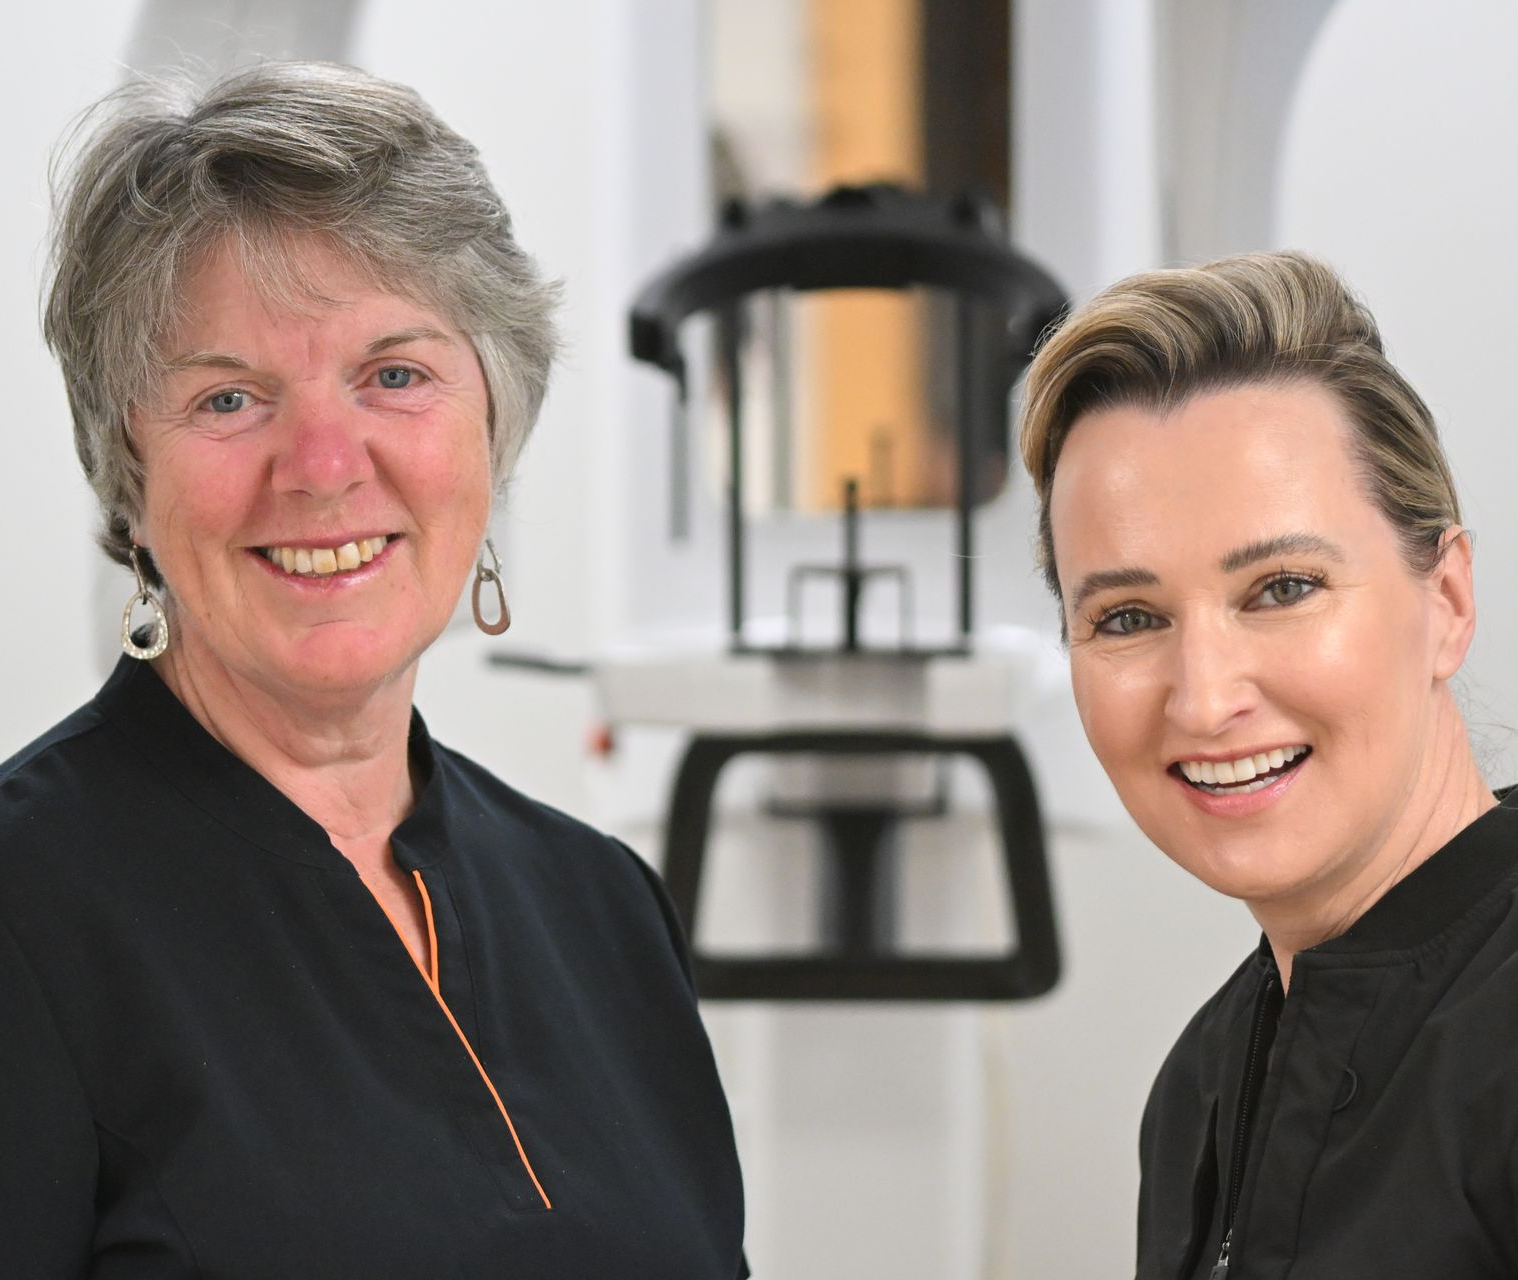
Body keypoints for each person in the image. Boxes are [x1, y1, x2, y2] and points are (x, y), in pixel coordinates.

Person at [2, 61, 746, 1278]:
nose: (322, 464)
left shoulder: (604, 905)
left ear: (493, 421)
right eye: (230, 396)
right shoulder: (27, 912)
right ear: (128, 473)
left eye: (394, 374)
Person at [1018, 250, 1518, 1278]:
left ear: (1447, 603)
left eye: (1282, 587)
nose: (1204, 697)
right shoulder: (1199, 1088)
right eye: (1128, 616)